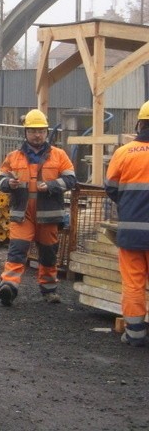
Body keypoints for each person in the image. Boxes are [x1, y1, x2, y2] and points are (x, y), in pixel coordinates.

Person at [0, 109, 77, 306]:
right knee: (17, 249)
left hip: (48, 216)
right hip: (22, 214)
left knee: (49, 253)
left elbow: (71, 180)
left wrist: (50, 186)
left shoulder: (59, 155)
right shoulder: (14, 156)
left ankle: (49, 289)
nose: (37, 135)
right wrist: (8, 183)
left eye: (41, 131)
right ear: (26, 132)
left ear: (46, 132)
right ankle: (9, 286)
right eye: (33, 131)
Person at [104, 100, 149, 346]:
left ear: (140, 124)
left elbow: (111, 187)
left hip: (131, 232)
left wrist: (129, 203)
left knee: (133, 284)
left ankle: (135, 334)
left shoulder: (124, 152)